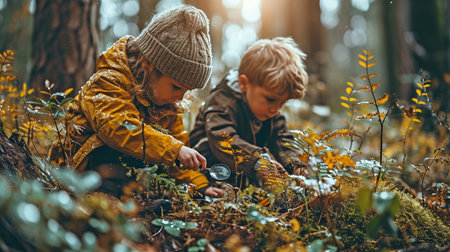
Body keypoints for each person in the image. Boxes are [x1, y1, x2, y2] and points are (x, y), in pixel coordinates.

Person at [49, 5, 223, 199]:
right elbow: (116, 128)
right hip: (79, 176)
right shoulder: (107, 81)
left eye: (187, 91)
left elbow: (178, 154)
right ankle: (116, 200)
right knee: (132, 144)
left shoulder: (166, 104)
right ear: (147, 64)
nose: (180, 97)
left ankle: (141, 201)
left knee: (161, 149)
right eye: (176, 87)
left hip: (127, 183)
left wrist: (199, 185)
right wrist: (174, 149)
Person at [189, 37, 309, 187]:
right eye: (270, 99)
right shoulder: (222, 101)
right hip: (206, 170)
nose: (276, 109)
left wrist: (295, 164)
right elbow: (222, 138)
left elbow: (282, 137)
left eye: (282, 102)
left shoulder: (268, 109)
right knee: (214, 143)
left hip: (242, 172)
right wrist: (258, 161)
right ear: (244, 84)